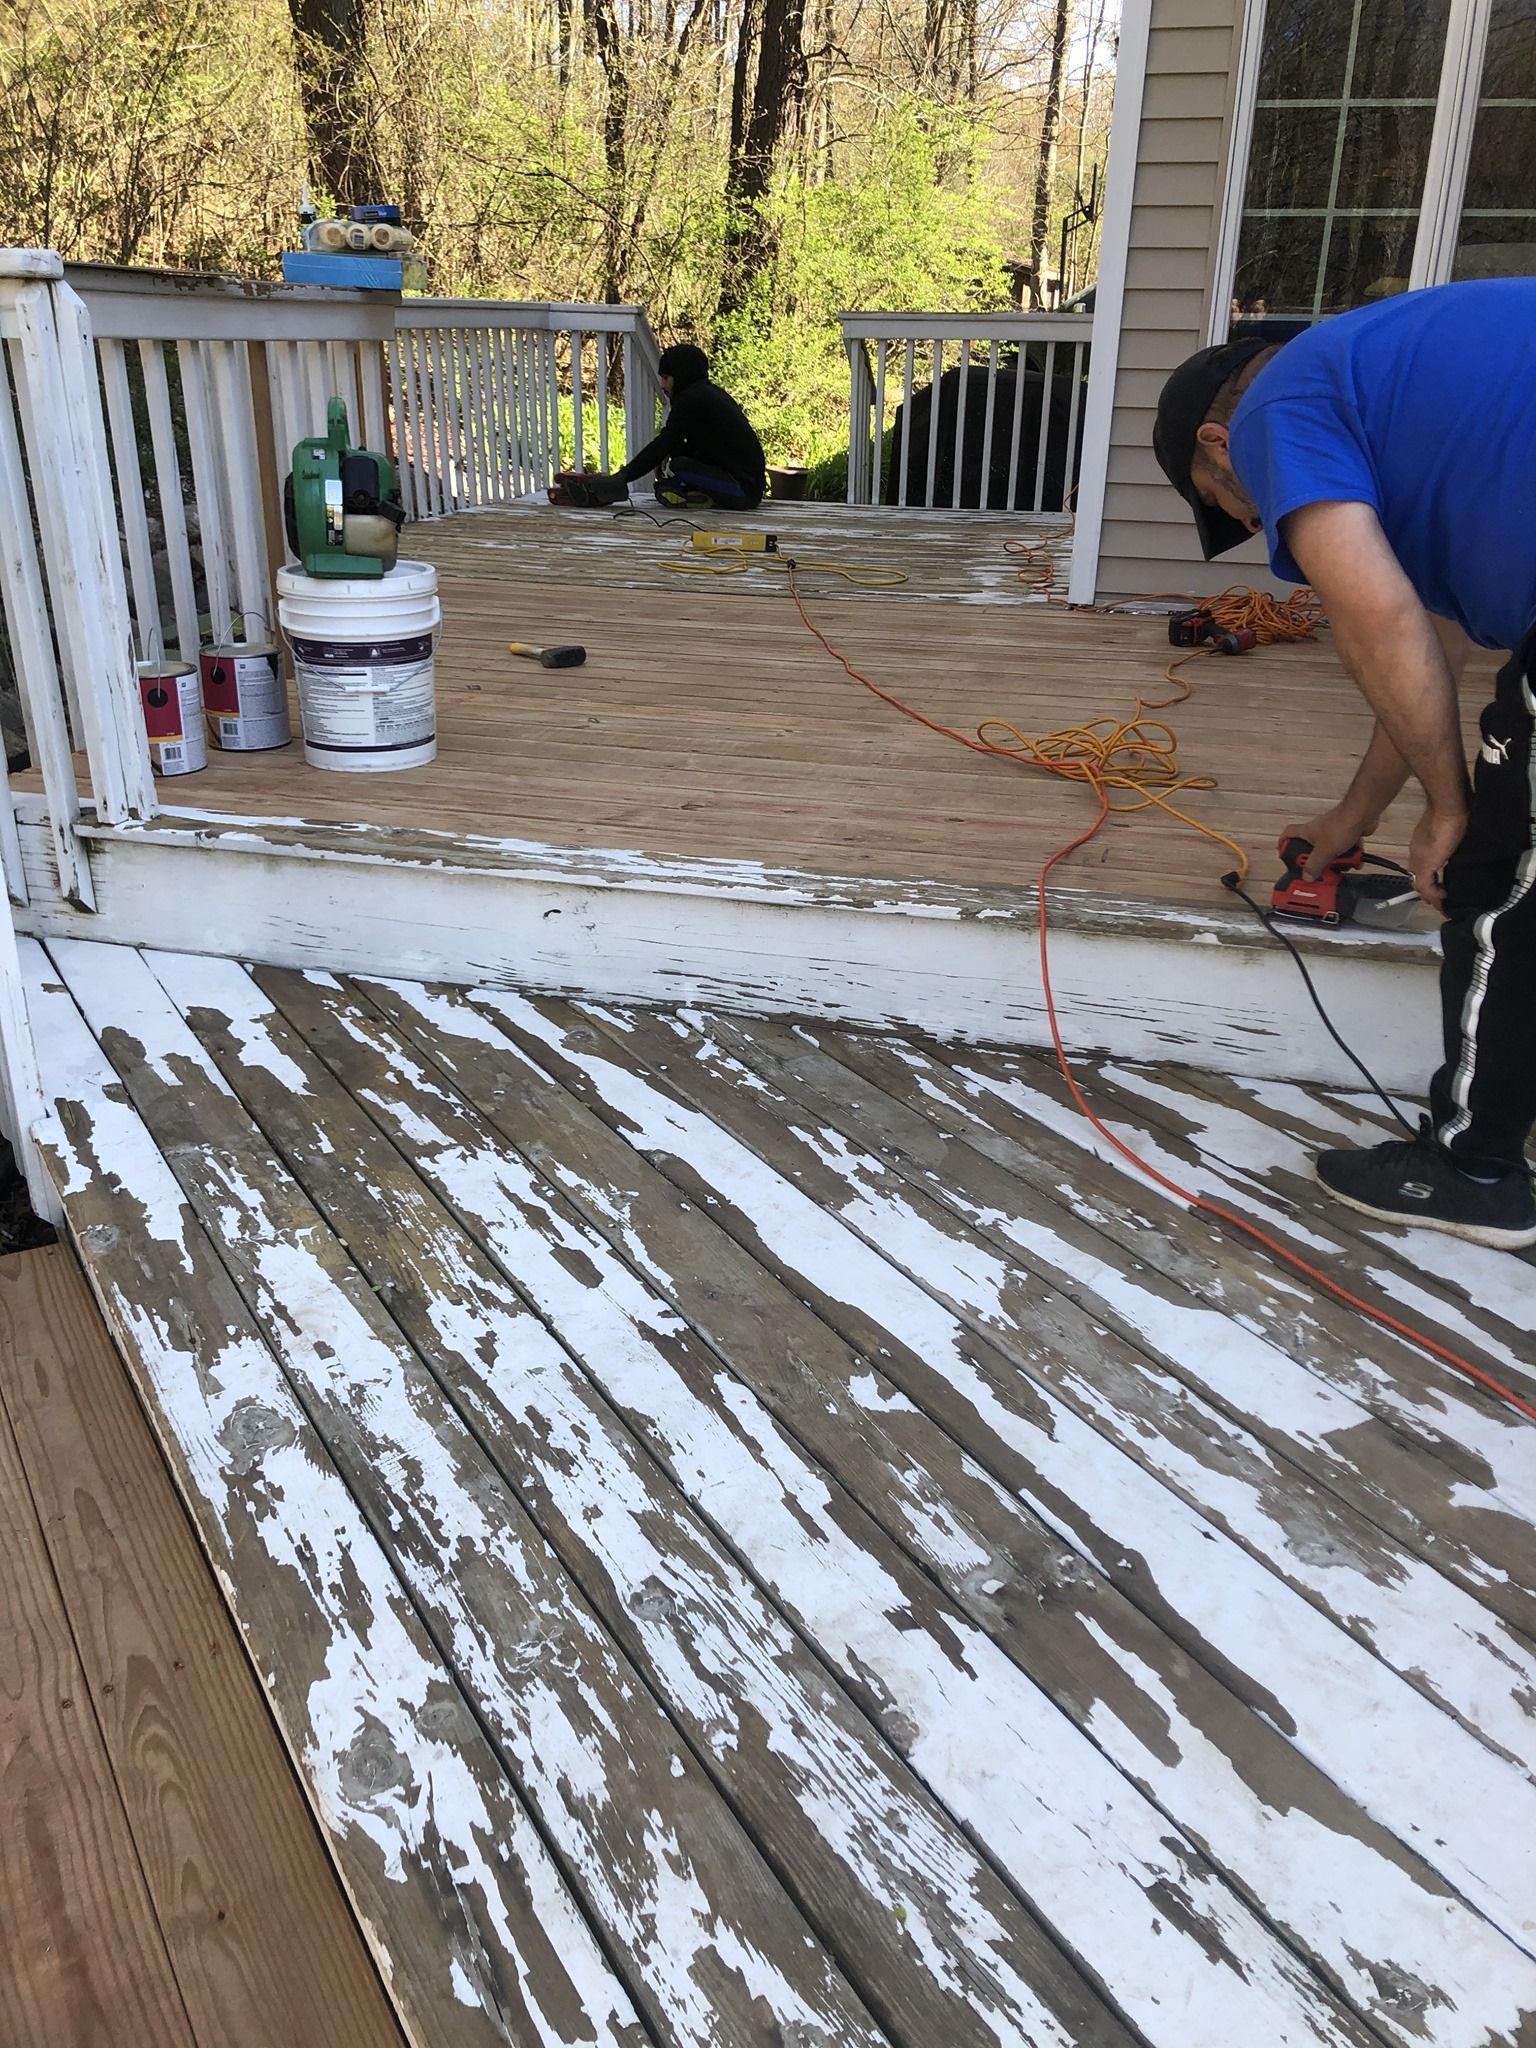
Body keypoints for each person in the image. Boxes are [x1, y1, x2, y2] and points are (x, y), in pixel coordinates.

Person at [1153, 278, 1536, 1250]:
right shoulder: (1396, 380)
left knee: (1499, 879)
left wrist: (1450, 809)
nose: (1255, 527)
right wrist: (1353, 820)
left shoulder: (1278, 409)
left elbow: (1373, 616)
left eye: (1227, 508)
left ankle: (1476, 1165)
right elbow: (1428, 649)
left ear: (1216, 445)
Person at [551, 343, 766, 510]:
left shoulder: (692, 400)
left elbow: (664, 442)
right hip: (744, 483)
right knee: (673, 470)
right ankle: (694, 496)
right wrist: (667, 453)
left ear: (680, 377)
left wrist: (623, 477)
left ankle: (688, 495)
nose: (662, 385)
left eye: (665, 378)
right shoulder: (706, 395)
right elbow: (693, 444)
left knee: (679, 467)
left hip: (743, 491)